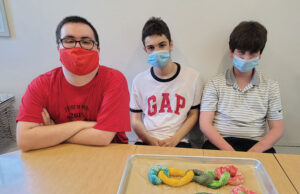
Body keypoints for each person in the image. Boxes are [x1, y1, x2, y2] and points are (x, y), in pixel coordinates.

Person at [16, 16, 130, 152]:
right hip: (58, 157)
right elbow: (24, 140)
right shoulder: (40, 85)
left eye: (86, 41)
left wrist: (51, 131)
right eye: (69, 41)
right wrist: (85, 125)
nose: (77, 46)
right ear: (58, 47)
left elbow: (103, 137)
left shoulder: (114, 79)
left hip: (110, 154)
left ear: (98, 49)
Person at [200, 21, 284, 153]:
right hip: (220, 143)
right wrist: (230, 152)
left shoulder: (271, 86)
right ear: (232, 52)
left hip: (256, 145)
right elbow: (205, 124)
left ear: (260, 54)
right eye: (241, 52)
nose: (246, 58)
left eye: (253, 53)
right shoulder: (215, 83)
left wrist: (254, 152)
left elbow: (278, 128)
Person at [130, 17, 203, 148]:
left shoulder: (193, 77)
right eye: (151, 47)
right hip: (145, 141)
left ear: (171, 45)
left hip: (180, 141)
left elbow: (193, 114)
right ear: (145, 50)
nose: (157, 52)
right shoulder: (139, 81)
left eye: (162, 45)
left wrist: (175, 139)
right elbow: (135, 119)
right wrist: (148, 139)